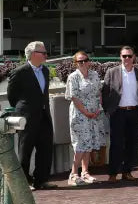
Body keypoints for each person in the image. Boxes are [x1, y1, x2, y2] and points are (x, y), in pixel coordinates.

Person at [6, 41, 54, 190]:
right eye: (43, 53)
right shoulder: (20, 72)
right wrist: (24, 108)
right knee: (25, 149)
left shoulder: (45, 71)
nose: (46, 55)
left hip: (44, 116)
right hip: (27, 117)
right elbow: (11, 95)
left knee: (45, 148)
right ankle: (25, 182)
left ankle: (41, 180)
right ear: (33, 54)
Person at [102, 45, 138, 183]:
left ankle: (127, 171)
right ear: (120, 57)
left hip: (134, 112)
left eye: (129, 56)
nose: (127, 59)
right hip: (118, 113)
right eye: (124, 56)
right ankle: (113, 173)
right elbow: (105, 93)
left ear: (134, 57)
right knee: (116, 144)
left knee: (132, 144)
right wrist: (108, 109)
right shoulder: (112, 72)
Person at [64, 51, 106, 186]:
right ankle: (73, 173)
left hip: (94, 114)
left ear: (89, 61)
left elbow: (99, 92)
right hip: (80, 114)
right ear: (75, 63)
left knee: (89, 143)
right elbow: (74, 97)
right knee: (80, 144)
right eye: (79, 61)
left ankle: (85, 172)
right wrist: (86, 112)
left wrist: (99, 108)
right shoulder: (73, 77)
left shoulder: (94, 74)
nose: (83, 63)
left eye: (85, 60)